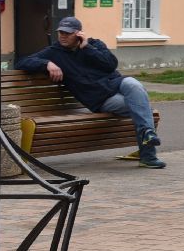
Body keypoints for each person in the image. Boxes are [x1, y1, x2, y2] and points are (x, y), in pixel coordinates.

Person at [15, 16, 165, 168]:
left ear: (79, 34)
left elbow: (110, 65)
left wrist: (87, 48)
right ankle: (148, 153)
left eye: (67, 33)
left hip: (116, 83)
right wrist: (46, 63)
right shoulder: (54, 53)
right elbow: (21, 62)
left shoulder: (94, 45)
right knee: (141, 106)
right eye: (60, 32)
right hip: (102, 99)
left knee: (133, 84)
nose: (63, 36)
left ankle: (147, 135)